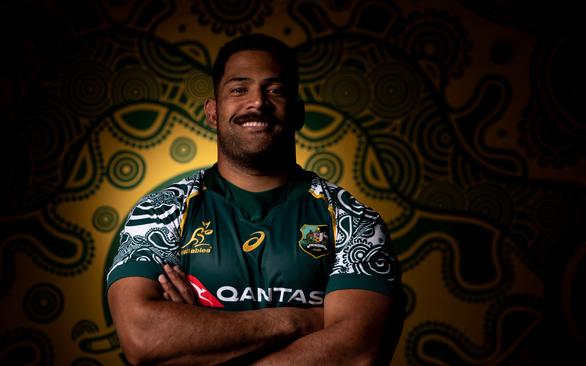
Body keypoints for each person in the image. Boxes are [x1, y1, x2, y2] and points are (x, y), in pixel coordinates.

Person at [106, 34, 403, 365]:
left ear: (298, 112)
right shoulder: (160, 213)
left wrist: (198, 341)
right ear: (213, 112)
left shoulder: (354, 220)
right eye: (238, 89)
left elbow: (357, 353)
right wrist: (300, 320)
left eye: (275, 90)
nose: (257, 102)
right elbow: (145, 338)